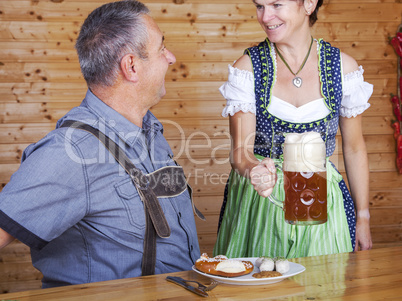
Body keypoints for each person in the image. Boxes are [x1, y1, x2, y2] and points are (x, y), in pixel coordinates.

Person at [0, 0, 202, 288]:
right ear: (131, 66)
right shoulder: (73, 151)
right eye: (161, 48)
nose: (170, 57)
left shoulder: (149, 129)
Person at [214, 0, 373, 259]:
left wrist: (363, 217)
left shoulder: (343, 68)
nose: (265, 17)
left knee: (322, 287)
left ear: (309, 4)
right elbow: (240, 151)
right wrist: (253, 169)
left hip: (322, 201)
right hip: (261, 202)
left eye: (276, 4)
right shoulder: (248, 68)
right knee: (259, 290)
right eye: (259, 6)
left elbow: (354, 148)